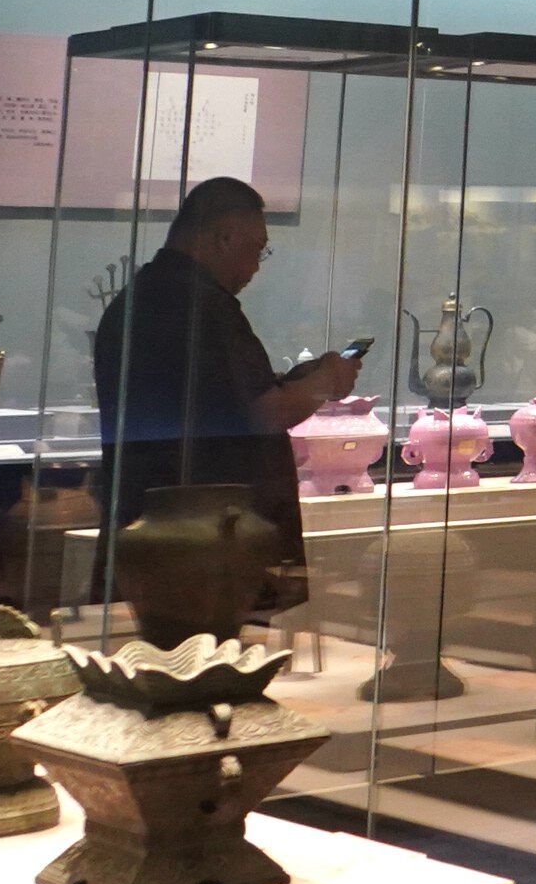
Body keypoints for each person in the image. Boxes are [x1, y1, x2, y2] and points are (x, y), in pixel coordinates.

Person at [93, 178, 361, 621]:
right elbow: (262, 414)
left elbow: (220, 401)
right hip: (207, 544)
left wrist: (293, 383)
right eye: (257, 249)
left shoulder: (143, 297)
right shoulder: (200, 307)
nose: (256, 266)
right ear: (224, 237)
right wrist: (326, 382)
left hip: (161, 531)